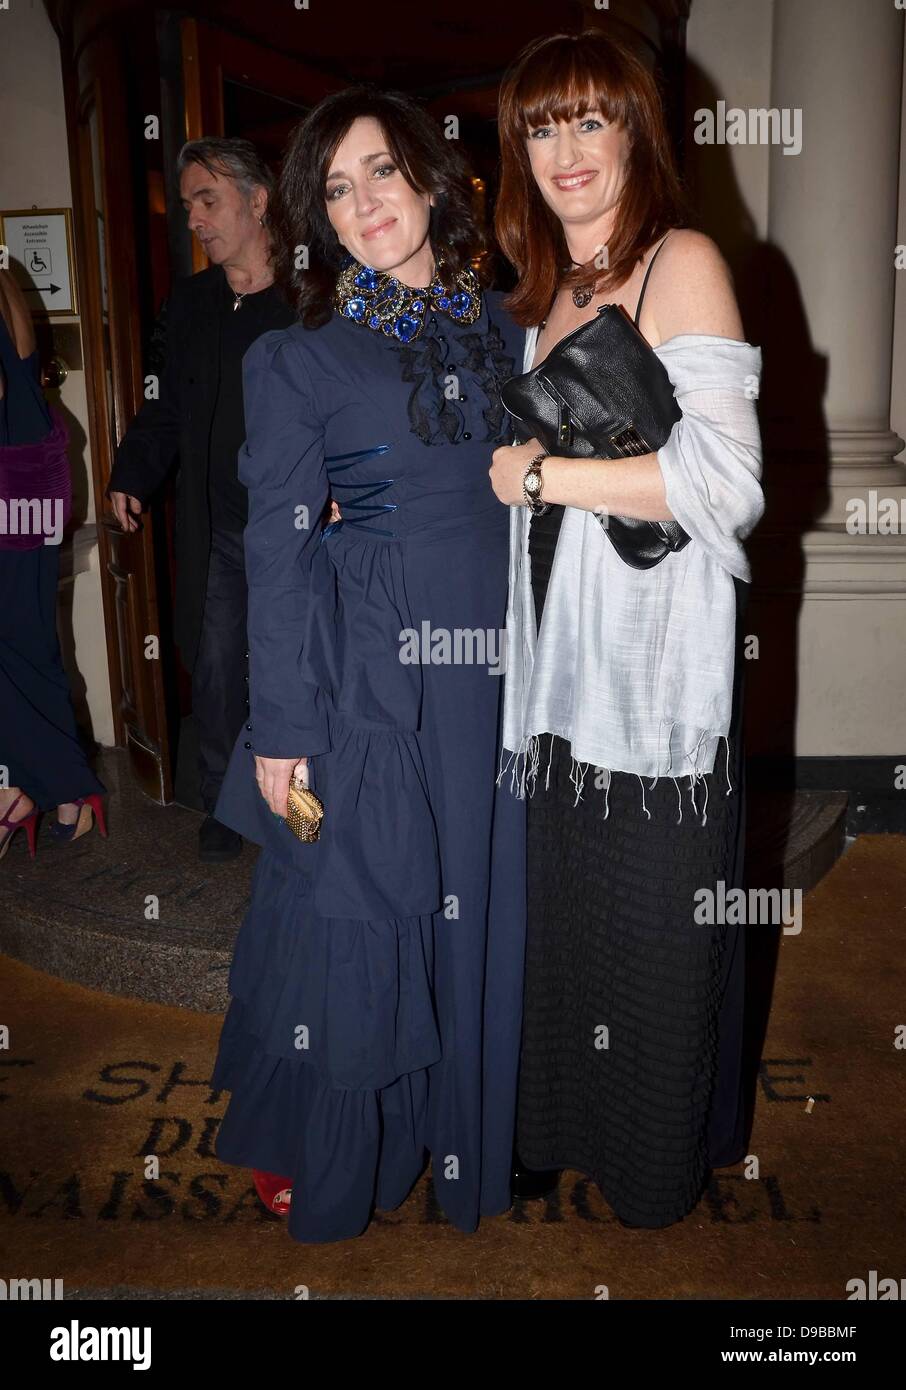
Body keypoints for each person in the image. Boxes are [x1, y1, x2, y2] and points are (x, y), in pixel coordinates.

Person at [209, 86, 526, 1242]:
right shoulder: (300, 361)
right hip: (373, 678)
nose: (362, 205)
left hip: (496, 667)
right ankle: (335, 1148)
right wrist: (283, 731)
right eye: (336, 189)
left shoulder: (507, 327)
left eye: (379, 172)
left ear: (433, 179)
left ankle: (464, 1140)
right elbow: (279, 560)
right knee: (361, 903)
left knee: (471, 907)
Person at [489, 30, 765, 1228]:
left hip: (653, 689)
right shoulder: (550, 292)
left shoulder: (682, 264)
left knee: (652, 940)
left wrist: (546, 482)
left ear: (637, 132)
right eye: (542, 126)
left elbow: (726, 485)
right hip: (560, 685)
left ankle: (652, 1166)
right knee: (570, 928)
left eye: (590, 119)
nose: (567, 149)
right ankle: (554, 1130)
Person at [106, 138, 297, 861]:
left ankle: (306, 800)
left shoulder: (313, 297)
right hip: (217, 526)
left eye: (206, 201)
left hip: (298, 526)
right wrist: (131, 472)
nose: (193, 219)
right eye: (187, 205)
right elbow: (163, 409)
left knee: (298, 663)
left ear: (257, 200)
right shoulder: (188, 305)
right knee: (216, 668)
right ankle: (225, 801)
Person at [0, 268, 107, 857]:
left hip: (10, 487)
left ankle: (29, 790)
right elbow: (22, 362)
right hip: (33, 482)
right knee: (30, 644)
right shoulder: (5, 281)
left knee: (20, 648)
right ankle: (62, 789)